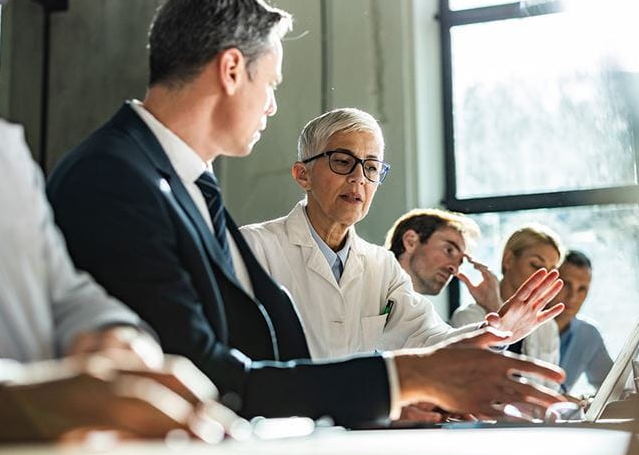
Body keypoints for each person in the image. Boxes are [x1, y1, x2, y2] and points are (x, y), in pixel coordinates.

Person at [46, 0, 566, 426]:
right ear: (231, 70)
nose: (272, 104)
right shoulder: (115, 179)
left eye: (371, 168)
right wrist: (396, 383)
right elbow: (203, 373)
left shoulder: (181, 183)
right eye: (269, 82)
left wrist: (397, 393)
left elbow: (269, 360)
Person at [240, 110, 564, 360]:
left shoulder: (380, 266)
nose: (358, 179)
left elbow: (426, 339)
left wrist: (496, 331)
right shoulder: (253, 248)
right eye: (342, 162)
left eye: (371, 167)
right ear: (303, 174)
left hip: (355, 434)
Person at [0, 119, 234, 442]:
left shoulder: (0, 153)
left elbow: (63, 293)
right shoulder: (106, 169)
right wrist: (10, 398)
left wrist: (111, 334)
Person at [450, 224, 564, 370]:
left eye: (551, 272)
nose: (544, 278)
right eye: (536, 265)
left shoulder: (547, 326)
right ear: (509, 259)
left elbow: (552, 386)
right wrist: (496, 310)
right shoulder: (468, 319)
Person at [550, 250, 613, 393]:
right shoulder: (524, 329)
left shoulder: (588, 335)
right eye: (566, 284)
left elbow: (613, 388)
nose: (573, 297)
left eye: (582, 289)